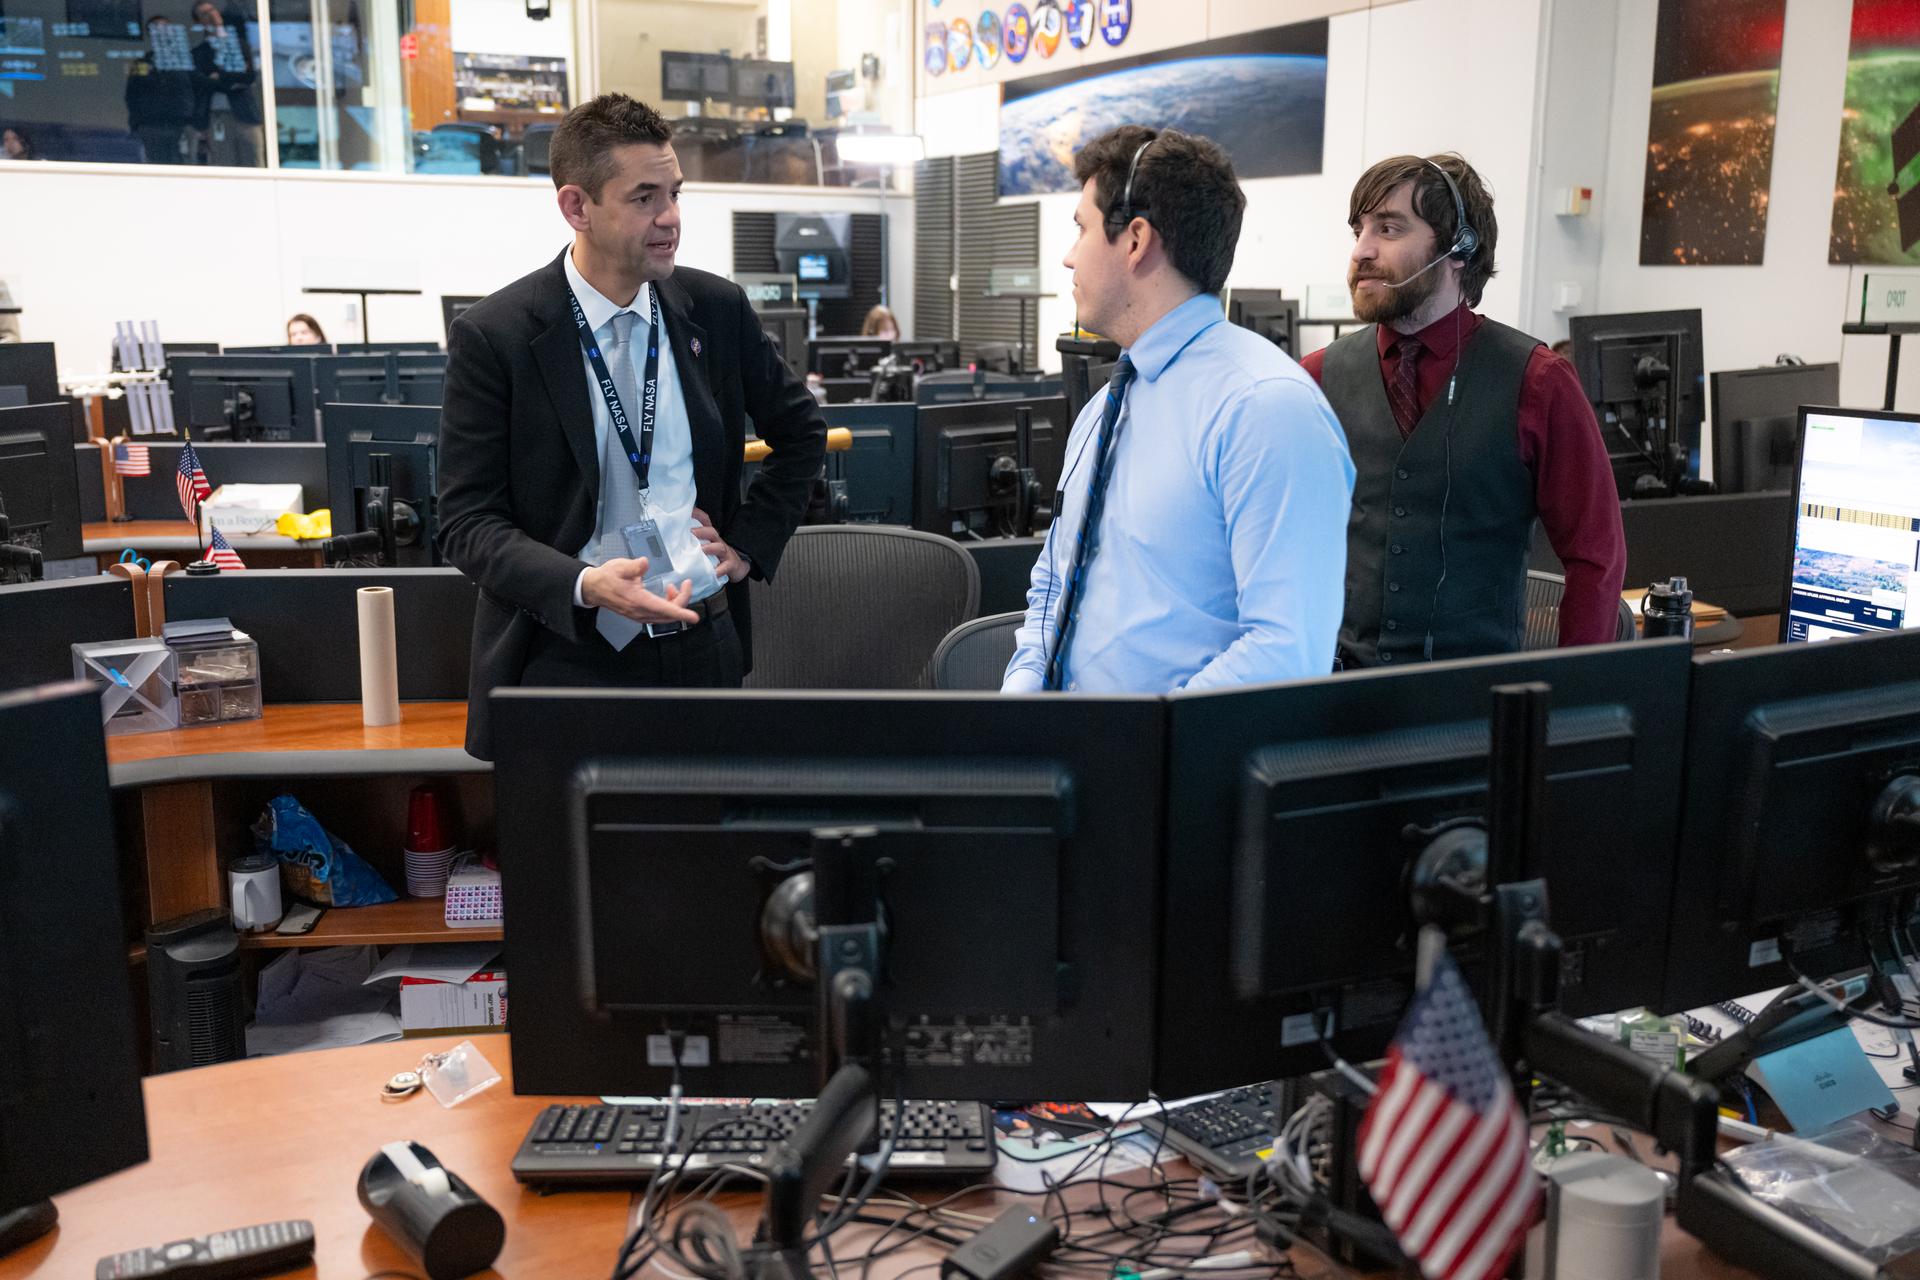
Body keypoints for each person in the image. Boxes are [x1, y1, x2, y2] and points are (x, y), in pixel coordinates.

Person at [438, 93, 826, 759]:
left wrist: (747, 545)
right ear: (576, 207)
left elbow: (802, 433)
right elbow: (467, 522)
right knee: (577, 863)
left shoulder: (716, 309)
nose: (670, 218)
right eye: (644, 197)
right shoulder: (496, 336)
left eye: (675, 193)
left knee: (706, 854)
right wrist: (585, 584)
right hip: (568, 656)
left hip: (704, 644)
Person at [1002, 126, 1354, 694]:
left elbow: (1287, 651)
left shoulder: (1266, 410)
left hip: (1172, 769)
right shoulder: (1102, 412)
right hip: (1071, 753)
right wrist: (1023, 698)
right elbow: (1053, 587)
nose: (1068, 258)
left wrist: (1139, 746)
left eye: (1081, 229)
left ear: (1136, 239)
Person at [1299, 153, 1624, 668]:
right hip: (1337, 697)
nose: (1362, 251)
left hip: (1476, 706)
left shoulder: (1537, 382)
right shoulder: (1315, 378)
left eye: (1388, 228)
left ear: (1458, 249)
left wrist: (1569, 699)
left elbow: (1595, 555)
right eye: (1359, 230)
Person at [188, 1, 263, 168]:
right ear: (199, 22)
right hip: (217, 116)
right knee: (224, 163)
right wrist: (232, 78)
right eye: (204, 14)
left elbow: (249, 76)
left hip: (246, 114)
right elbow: (203, 81)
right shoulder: (200, 52)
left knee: (255, 162)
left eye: (212, 10)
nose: (212, 15)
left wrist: (219, 76)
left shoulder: (241, 45)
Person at [125, 16, 195, 165]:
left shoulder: (186, 61)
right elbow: (131, 95)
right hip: (150, 126)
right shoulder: (141, 64)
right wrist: (137, 124)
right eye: (156, 29)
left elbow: (196, 90)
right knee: (156, 165)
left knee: (184, 167)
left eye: (165, 28)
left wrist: (195, 121)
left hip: (181, 124)